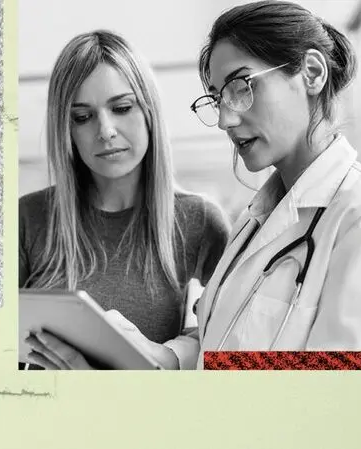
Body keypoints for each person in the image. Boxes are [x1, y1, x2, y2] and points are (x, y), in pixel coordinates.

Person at [33, 1, 361, 370]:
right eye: (218, 98)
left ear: (312, 73)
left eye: (240, 86)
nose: (225, 119)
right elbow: (219, 346)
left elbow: (351, 401)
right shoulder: (253, 223)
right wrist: (157, 356)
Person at [19, 30, 230, 370]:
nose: (105, 130)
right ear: (66, 129)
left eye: (121, 107)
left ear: (148, 111)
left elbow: (235, 335)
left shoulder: (198, 220)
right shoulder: (28, 218)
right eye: (82, 117)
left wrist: (170, 356)